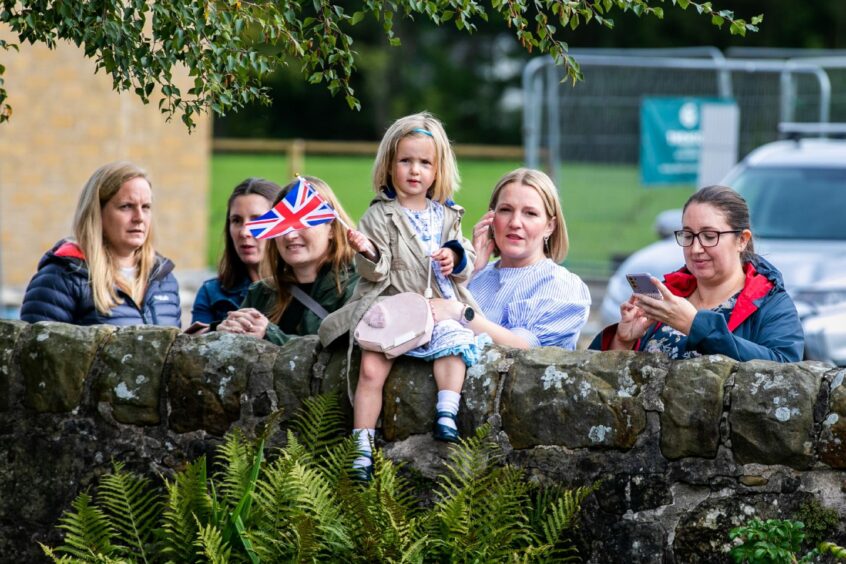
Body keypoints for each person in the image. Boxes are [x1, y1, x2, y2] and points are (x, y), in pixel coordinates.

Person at [319, 112, 484, 479]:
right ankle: (362, 443)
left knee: (454, 344)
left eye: (425, 163)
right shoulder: (380, 216)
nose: (415, 171)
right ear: (389, 165)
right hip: (394, 304)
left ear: (438, 170)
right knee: (371, 367)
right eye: (405, 161)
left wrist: (454, 256)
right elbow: (376, 270)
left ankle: (447, 408)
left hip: (435, 304)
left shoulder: (447, 215)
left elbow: (467, 259)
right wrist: (367, 252)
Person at [589, 185, 804, 362]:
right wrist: (623, 341)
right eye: (688, 235)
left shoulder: (772, 304)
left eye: (709, 236)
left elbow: (785, 371)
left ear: (742, 240)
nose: (695, 249)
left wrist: (695, 325)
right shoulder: (670, 295)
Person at [430, 168, 591, 350]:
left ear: (550, 226)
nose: (515, 222)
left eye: (530, 213)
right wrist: (471, 268)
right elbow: (430, 319)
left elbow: (523, 349)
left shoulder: (560, 285)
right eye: (506, 210)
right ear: (491, 217)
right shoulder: (475, 276)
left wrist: (460, 313)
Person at [21, 161, 180, 326]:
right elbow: (39, 350)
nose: (139, 217)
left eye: (146, 207)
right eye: (126, 206)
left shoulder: (164, 280)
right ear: (97, 213)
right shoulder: (61, 278)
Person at [216, 176, 359, 346]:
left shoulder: (357, 289)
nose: (290, 235)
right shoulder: (261, 293)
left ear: (332, 229)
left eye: (303, 222)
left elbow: (345, 357)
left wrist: (270, 335)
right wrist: (226, 337)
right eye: (282, 224)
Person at [191, 178, 282, 327]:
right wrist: (217, 332)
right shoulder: (211, 293)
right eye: (236, 220)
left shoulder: (300, 287)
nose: (244, 232)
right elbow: (191, 345)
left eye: (257, 220)